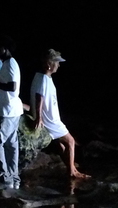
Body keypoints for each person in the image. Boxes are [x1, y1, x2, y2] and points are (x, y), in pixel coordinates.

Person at [30, 49, 90, 179]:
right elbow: (39, 97)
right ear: (49, 64)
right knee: (71, 141)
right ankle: (72, 171)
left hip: (51, 118)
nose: (59, 65)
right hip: (50, 120)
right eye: (57, 62)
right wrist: (39, 118)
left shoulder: (40, 76)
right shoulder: (44, 79)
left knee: (61, 145)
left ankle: (71, 168)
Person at [0, 37, 22, 190]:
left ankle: (6, 179)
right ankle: (14, 179)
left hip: (7, 111)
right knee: (10, 145)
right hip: (13, 110)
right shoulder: (9, 64)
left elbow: (13, 87)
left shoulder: (10, 64)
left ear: (6, 49)